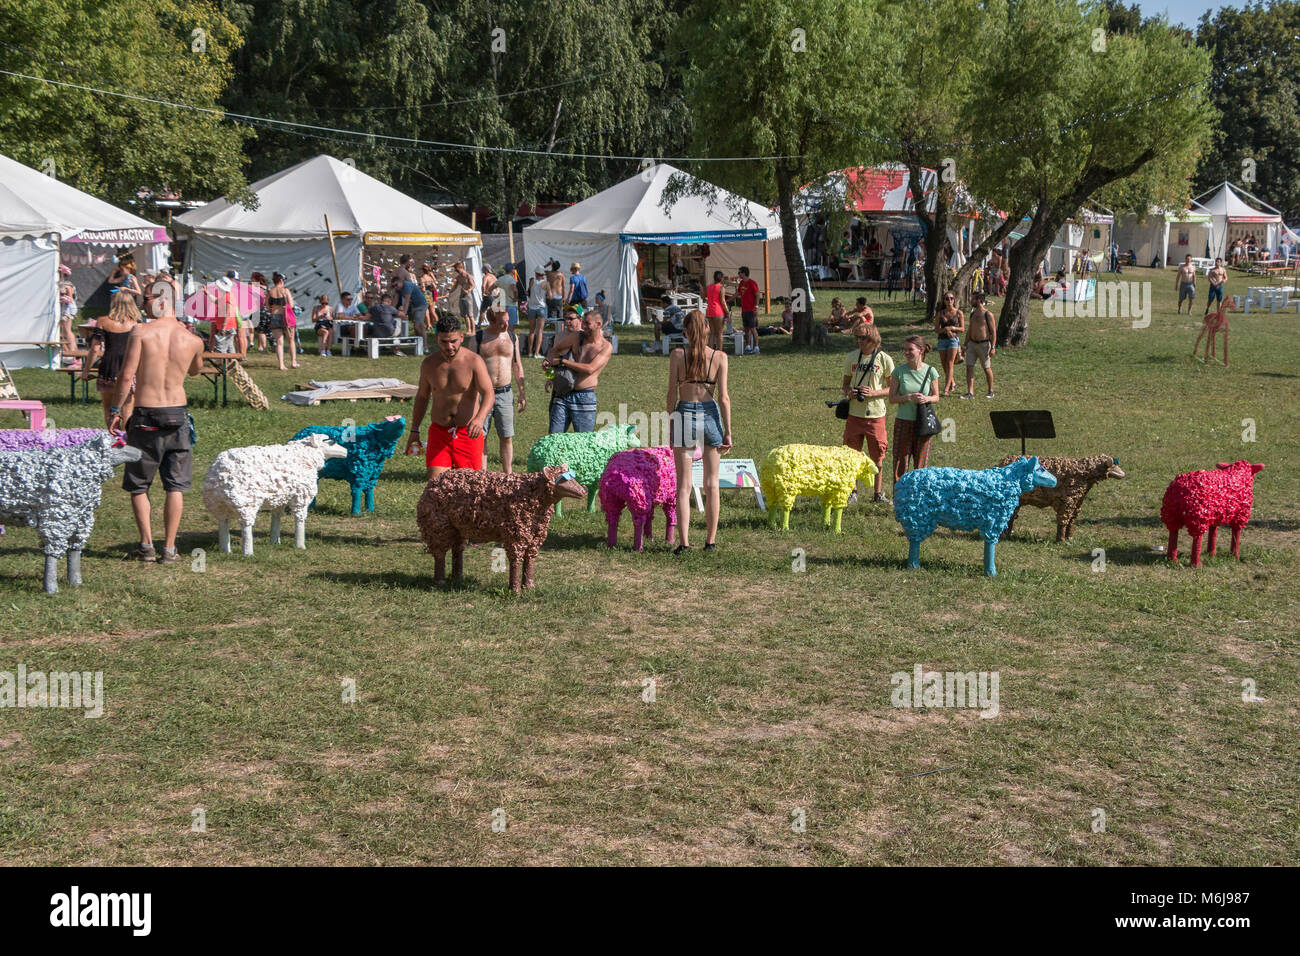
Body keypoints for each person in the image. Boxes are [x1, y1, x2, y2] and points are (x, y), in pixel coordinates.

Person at [108, 290, 203, 564]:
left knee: (139, 483)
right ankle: (170, 549)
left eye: (148, 298)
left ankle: (147, 546)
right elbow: (195, 370)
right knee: (175, 485)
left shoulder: (141, 332)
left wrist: (115, 410)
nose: (144, 304)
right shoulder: (193, 339)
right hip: (177, 414)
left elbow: (126, 375)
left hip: (146, 414)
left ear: (163, 301)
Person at [666, 308, 732, 553]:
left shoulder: (677, 355)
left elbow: (671, 393)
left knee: (683, 485)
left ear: (685, 331)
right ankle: (710, 541)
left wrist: (671, 424)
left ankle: (684, 543)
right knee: (712, 483)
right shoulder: (719, 357)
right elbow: (724, 398)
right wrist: (728, 431)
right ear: (706, 329)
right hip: (710, 415)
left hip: (684, 412)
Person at [405, 314, 494, 481]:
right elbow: (422, 397)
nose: (449, 346)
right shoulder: (429, 364)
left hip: (468, 433)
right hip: (439, 432)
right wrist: (414, 430)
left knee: (469, 486)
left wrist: (480, 419)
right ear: (437, 338)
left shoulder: (474, 361)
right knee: (436, 485)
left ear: (462, 337)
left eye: (453, 341)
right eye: (444, 342)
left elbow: (489, 393)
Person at [464, 306, 526, 472]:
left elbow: (517, 365)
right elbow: (469, 369)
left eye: (507, 321)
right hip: (482, 394)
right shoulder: (478, 339)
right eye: (501, 322)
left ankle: (508, 474)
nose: (506, 325)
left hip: (504, 393)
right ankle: (482, 474)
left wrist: (522, 393)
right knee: (480, 436)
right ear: (491, 321)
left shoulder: (512, 337)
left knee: (506, 435)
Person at [841, 322, 894, 502]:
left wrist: (873, 393)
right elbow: (845, 384)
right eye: (856, 337)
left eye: (862, 338)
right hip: (854, 414)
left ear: (873, 338)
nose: (859, 341)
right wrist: (849, 392)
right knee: (851, 455)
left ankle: (878, 493)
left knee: (877, 456)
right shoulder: (851, 357)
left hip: (876, 415)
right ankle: (852, 491)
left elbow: (892, 389)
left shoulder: (884, 359)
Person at [543, 306, 612, 433]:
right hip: (563, 393)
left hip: (585, 396)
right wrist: (548, 361)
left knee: (583, 440)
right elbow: (555, 349)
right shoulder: (576, 336)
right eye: (583, 322)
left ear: (598, 324)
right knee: (553, 437)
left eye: (587, 323)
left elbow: (590, 369)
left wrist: (563, 361)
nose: (584, 326)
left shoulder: (606, 347)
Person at [84, 289, 141, 428]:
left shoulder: (102, 321)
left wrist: (86, 370)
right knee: (127, 408)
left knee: (108, 408)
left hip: (109, 366)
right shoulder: (137, 323)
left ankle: (113, 435)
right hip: (129, 365)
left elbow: (95, 349)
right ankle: (126, 437)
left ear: (114, 303)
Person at [888, 334, 941, 486]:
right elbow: (892, 398)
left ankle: (919, 495)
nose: (906, 352)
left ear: (921, 350)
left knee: (921, 464)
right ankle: (899, 495)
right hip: (903, 422)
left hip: (923, 423)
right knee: (900, 463)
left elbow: (936, 397)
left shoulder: (931, 371)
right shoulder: (899, 371)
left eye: (910, 349)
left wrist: (926, 398)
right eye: (905, 349)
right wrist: (909, 397)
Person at [960, 291, 996, 399]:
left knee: (986, 368)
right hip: (972, 344)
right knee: (969, 367)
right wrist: (965, 345)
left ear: (979, 300)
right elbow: (969, 330)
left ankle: (991, 391)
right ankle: (970, 393)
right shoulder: (972, 314)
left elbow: (993, 332)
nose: (971, 301)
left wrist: (993, 347)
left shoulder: (988, 314)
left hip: (984, 345)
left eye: (973, 299)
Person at [934, 291, 964, 396]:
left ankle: (946, 389)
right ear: (944, 300)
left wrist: (952, 328)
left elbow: (962, 329)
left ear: (954, 300)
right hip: (942, 340)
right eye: (947, 298)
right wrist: (945, 329)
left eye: (951, 298)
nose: (949, 300)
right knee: (944, 363)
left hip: (953, 340)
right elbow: (936, 329)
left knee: (950, 363)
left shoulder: (959, 313)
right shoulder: (940, 313)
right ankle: (952, 382)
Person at [266, 272, 298, 369]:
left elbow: (267, 307)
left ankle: (281, 365)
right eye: (283, 280)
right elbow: (291, 305)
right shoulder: (285, 290)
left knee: (279, 343)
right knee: (291, 340)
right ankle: (293, 362)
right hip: (286, 318)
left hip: (274, 317)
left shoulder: (270, 291)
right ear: (281, 280)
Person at [395, 266, 430, 337]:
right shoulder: (398, 288)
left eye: (396, 285)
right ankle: (419, 341)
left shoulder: (407, 285)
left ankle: (424, 342)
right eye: (393, 286)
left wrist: (404, 313)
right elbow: (394, 301)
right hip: (415, 305)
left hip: (420, 305)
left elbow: (407, 301)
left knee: (418, 326)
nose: (395, 287)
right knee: (417, 327)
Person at [736, 265, 761, 354]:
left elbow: (757, 295)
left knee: (753, 328)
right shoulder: (741, 283)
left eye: (739, 272)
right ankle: (748, 346)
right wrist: (728, 299)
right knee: (746, 329)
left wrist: (756, 307)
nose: (738, 274)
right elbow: (738, 293)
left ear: (744, 273)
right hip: (744, 310)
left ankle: (756, 347)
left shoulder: (752, 283)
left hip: (751, 309)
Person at [525, 266, 548, 357]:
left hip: (532, 308)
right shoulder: (546, 283)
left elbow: (528, 292)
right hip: (541, 307)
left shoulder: (531, 281)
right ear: (542, 274)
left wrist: (527, 293)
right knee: (540, 331)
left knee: (531, 331)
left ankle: (530, 352)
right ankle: (536, 353)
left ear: (536, 273)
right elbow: (550, 296)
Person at [704, 270, 728, 351]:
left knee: (712, 333)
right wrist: (727, 312)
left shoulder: (709, 287)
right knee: (719, 333)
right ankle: (720, 351)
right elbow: (723, 301)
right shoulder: (721, 287)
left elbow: (704, 296)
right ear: (721, 278)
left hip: (709, 311)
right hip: (718, 311)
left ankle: (710, 352)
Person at [452, 260, 476, 334]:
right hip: (461, 295)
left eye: (456, 269)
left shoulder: (468, 276)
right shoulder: (458, 277)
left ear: (460, 267)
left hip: (468, 296)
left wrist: (468, 290)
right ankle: (468, 330)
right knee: (464, 315)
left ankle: (473, 331)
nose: (456, 271)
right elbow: (455, 286)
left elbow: (473, 285)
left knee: (470, 314)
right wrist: (449, 292)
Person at [497, 263, 519, 328]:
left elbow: (491, 288)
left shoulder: (500, 279)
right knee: (510, 327)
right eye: (514, 269)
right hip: (511, 305)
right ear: (512, 270)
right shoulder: (511, 279)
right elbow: (515, 290)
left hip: (502, 305)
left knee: (503, 326)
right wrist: (515, 298)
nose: (514, 270)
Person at [545, 259, 566, 327]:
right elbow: (564, 286)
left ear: (552, 266)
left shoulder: (548, 273)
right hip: (559, 295)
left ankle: (552, 327)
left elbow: (540, 270)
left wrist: (547, 264)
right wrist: (564, 297)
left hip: (550, 294)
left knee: (551, 313)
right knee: (560, 313)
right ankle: (560, 327)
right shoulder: (561, 274)